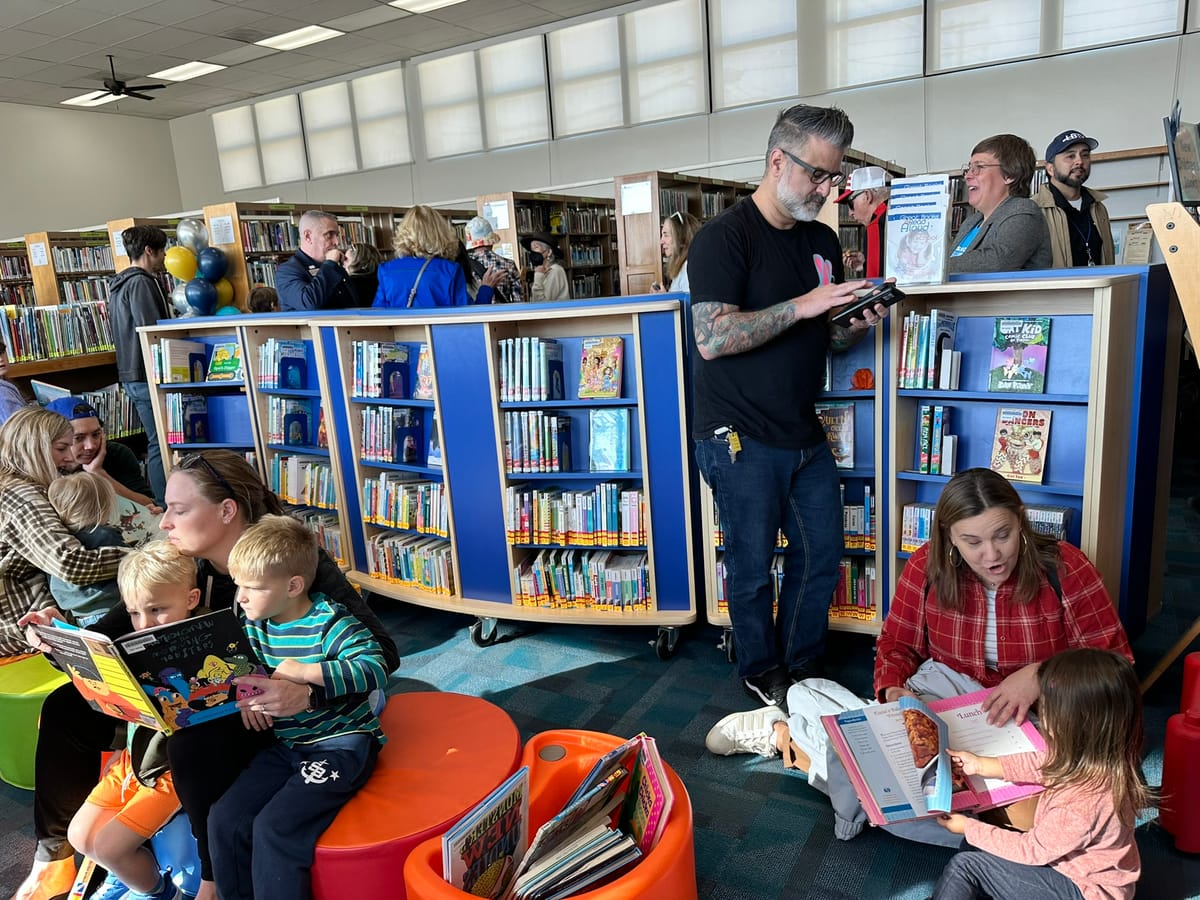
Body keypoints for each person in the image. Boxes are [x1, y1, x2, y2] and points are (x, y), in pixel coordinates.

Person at [14, 451, 399, 900]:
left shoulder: (277, 559)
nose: (164, 523)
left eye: (179, 510)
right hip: (188, 696)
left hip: (269, 711)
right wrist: (57, 636)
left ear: (226, 511)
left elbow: (382, 654)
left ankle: (212, 881)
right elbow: (106, 636)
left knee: (191, 742)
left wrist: (304, 691)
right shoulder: (180, 563)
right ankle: (56, 854)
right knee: (63, 707)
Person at [706, 468, 1133, 843]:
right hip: (944, 706)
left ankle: (795, 736)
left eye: (1003, 534)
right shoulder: (928, 566)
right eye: (973, 541)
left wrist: (1043, 673)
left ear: (1020, 521)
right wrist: (894, 694)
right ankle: (801, 738)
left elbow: (1117, 667)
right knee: (904, 788)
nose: (992, 554)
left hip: (1034, 723)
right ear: (949, 537)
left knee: (1052, 823)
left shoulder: (1065, 568)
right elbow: (897, 645)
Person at [687, 103, 888, 709]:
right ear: (778, 160)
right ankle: (760, 667)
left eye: (835, 178)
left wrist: (855, 321)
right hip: (737, 433)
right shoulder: (723, 238)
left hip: (802, 429)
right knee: (750, 567)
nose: (827, 190)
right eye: (817, 175)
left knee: (822, 553)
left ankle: (804, 664)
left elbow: (824, 335)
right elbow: (713, 338)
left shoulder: (822, 239)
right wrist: (805, 303)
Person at [209, 515, 387, 900]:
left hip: (343, 744)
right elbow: (243, 673)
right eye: (239, 584)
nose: (240, 595)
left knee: (275, 827)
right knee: (225, 819)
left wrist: (308, 671)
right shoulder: (254, 624)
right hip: (287, 746)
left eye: (252, 587)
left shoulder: (330, 622)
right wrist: (246, 698)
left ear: (293, 586)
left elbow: (374, 668)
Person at [932, 648, 1148, 900]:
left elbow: (1032, 850)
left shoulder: (1082, 804)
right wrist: (982, 765)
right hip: (1067, 864)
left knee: (966, 866)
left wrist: (968, 827)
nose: (1044, 718)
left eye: (1048, 712)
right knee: (977, 845)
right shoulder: (1097, 757)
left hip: (1082, 889)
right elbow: (1043, 763)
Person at [67, 541, 202, 900]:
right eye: (134, 613)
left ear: (191, 599)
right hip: (133, 760)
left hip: (170, 771)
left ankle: (157, 893)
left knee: (110, 848)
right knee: (79, 836)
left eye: (157, 610)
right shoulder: (132, 642)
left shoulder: (204, 647)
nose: (144, 624)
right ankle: (133, 877)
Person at [0, 406, 126, 658]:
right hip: (25, 629)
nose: (71, 457)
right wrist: (141, 557)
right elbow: (71, 564)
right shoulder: (22, 496)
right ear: (33, 449)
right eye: (61, 448)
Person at [108, 224, 171, 505]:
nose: (165, 256)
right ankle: (165, 502)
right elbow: (151, 330)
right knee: (163, 443)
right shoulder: (143, 283)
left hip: (130, 372)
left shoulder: (118, 285)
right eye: (162, 250)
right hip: (148, 373)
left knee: (156, 441)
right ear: (149, 251)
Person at [948, 134, 1052, 273]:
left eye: (978, 167)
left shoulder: (1024, 211)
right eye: (969, 168)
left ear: (1009, 175)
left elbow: (997, 261)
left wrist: (931, 268)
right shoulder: (971, 222)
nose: (968, 176)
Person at [44, 397, 158, 512]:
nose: (91, 446)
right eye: (78, 438)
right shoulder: (44, 465)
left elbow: (149, 505)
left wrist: (98, 473)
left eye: (96, 434)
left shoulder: (116, 453)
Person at [374, 205, 499, 308]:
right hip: (441, 338)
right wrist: (486, 290)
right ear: (440, 233)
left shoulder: (386, 270)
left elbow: (379, 318)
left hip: (401, 338)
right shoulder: (450, 270)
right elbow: (468, 317)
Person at [46, 471, 125, 628]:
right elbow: (130, 568)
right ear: (103, 506)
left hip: (78, 617)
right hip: (112, 610)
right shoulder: (105, 535)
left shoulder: (59, 543)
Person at [1033, 130, 1115, 268]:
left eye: (1085, 155)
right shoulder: (1034, 209)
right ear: (1050, 168)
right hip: (1058, 289)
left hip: (1098, 288)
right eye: (1070, 156)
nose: (1079, 161)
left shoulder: (1098, 207)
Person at [275, 211, 356, 312]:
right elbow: (310, 302)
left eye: (337, 235)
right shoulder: (287, 271)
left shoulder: (336, 267)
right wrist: (330, 264)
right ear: (308, 236)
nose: (336, 242)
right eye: (329, 235)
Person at [835, 166, 890, 278]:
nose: (850, 213)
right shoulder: (897, 216)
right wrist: (867, 264)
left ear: (867, 196)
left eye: (850, 204)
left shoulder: (876, 224)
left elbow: (876, 287)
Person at [463, 216, 524, 303]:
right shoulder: (509, 264)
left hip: (478, 314)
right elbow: (519, 301)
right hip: (503, 314)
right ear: (491, 241)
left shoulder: (464, 266)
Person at [654, 210, 701, 293]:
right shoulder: (682, 265)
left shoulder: (688, 269)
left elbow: (690, 304)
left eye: (666, 235)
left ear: (682, 237)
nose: (661, 241)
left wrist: (665, 299)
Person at [524, 234, 570, 302]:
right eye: (531, 249)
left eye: (536, 247)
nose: (533, 252)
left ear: (549, 252)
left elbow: (542, 304)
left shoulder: (555, 270)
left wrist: (538, 276)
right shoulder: (542, 270)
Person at [0, 337, 31, 427]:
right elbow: (19, 431)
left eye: (2, 352)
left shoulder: (5, 383)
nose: (1, 359)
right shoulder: (3, 394)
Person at [344, 241, 384, 308]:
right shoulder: (384, 279)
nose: (343, 263)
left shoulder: (348, 284)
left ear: (359, 261)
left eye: (346, 259)